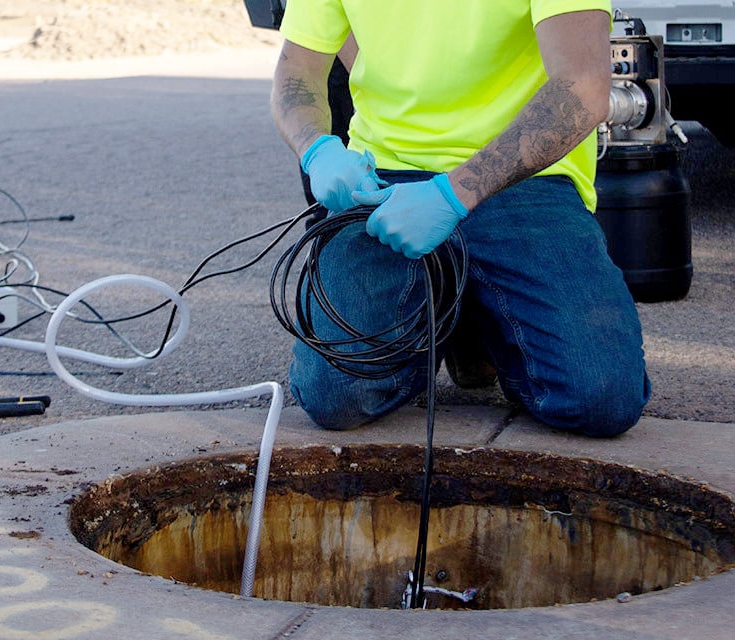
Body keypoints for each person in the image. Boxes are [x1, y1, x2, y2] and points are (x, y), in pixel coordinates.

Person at [270, 1, 652, 438]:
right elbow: (296, 71)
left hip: (524, 177)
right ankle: (442, 315)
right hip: (387, 174)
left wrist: (454, 194)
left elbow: (582, 86)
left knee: (600, 398)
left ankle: (477, 317)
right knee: (334, 396)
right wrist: (318, 150)